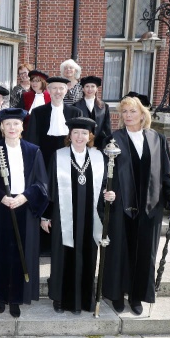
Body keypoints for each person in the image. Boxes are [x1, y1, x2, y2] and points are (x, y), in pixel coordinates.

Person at [102, 94, 170, 316]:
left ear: (142, 114)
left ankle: (136, 296)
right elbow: (104, 175)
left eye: (132, 111)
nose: (127, 116)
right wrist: (105, 194)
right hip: (121, 206)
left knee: (145, 253)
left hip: (150, 206)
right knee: (119, 251)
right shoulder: (112, 139)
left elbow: (166, 172)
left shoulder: (157, 139)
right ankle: (116, 293)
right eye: (124, 112)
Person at [0, 108, 49, 318]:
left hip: (24, 206)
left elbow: (42, 182)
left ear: (22, 127)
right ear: (1, 127)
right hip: (0, 206)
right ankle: (0, 296)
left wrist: (25, 196)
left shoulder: (33, 150)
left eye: (16, 124)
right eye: (7, 124)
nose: (12, 128)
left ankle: (16, 298)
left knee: (21, 253)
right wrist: (0, 197)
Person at [41, 117, 106, 314]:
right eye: (76, 133)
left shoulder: (98, 158)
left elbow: (104, 186)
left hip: (89, 216)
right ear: (70, 135)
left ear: (90, 136)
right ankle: (61, 299)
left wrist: (108, 195)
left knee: (88, 255)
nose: (79, 136)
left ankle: (85, 300)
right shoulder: (59, 156)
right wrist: (45, 216)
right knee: (63, 255)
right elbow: (49, 187)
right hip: (63, 217)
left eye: (84, 133)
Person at [25, 76, 83, 166]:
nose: (58, 92)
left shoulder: (76, 113)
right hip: (44, 155)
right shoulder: (37, 112)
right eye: (54, 88)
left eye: (61, 88)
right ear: (48, 90)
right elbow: (32, 137)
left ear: (66, 90)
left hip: (68, 154)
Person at [73, 75, 112, 149]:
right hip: (81, 142)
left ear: (97, 89)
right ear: (83, 89)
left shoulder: (104, 106)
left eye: (93, 86)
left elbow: (107, 127)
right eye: (87, 86)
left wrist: (109, 141)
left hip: (99, 143)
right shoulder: (75, 106)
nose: (90, 89)